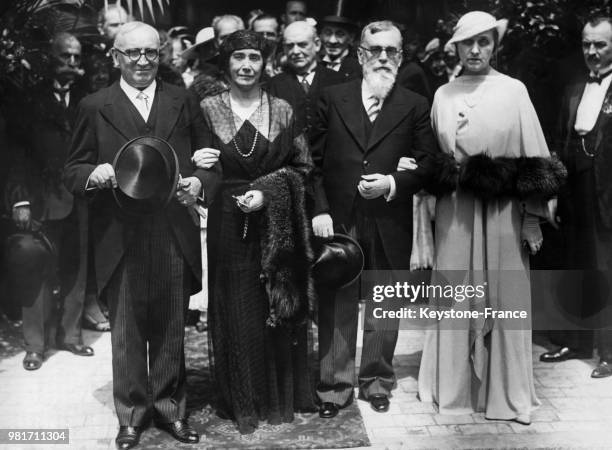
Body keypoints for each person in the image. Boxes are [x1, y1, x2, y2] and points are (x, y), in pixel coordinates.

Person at [64, 22, 221, 449]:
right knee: (128, 331)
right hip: (120, 234)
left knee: (172, 328)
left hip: (172, 231)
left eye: (151, 52)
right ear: (116, 56)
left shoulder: (184, 101)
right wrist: (92, 174)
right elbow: (72, 169)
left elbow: (209, 161)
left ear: (161, 55)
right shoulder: (95, 106)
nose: (142, 61)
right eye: (132, 53)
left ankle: (171, 410)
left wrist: (199, 183)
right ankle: (131, 415)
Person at [417, 11, 565, 424]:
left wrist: (533, 217)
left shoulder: (514, 90)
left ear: (494, 46)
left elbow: (535, 157)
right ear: (457, 48)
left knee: (507, 299)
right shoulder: (443, 94)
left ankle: (507, 396)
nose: (476, 50)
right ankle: (454, 391)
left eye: (484, 42)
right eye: (468, 43)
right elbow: (433, 157)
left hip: (502, 211)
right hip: (456, 213)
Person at [310, 20, 439, 418]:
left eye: (392, 51)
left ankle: (377, 381)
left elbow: (432, 164)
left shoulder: (415, 105)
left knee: (386, 303)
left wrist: (393, 182)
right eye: (375, 50)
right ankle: (334, 386)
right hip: (340, 220)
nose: (383, 58)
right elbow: (310, 162)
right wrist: (320, 209)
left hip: (389, 219)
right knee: (338, 301)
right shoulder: (331, 98)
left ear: (401, 57)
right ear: (360, 54)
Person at [192, 30, 316, 434]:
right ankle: (243, 399)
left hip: (275, 226)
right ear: (226, 63)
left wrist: (268, 192)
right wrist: (199, 164)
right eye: (239, 58)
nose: (247, 66)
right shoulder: (207, 109)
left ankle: (277, 398)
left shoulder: (282, 109)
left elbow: (303, 168)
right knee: (238, 309)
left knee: (273, 309)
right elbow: (201, 169)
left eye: (255, 59)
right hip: (229, 224)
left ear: (266, 64)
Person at [5, 32, 90, 371]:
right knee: (36, 268)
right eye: (64, 56)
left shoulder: (89, 98)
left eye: (76, 58)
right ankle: (35, 345)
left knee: (77, 267)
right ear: (49, 58)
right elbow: (13, 155)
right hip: (40, 199)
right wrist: (19, 199)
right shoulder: (26, 100)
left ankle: (70, 336)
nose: (71, 63)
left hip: (81, 198)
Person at [539, 14, 612, 378]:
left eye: (600, 44)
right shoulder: (573, 86)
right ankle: (576, 341)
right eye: (587, 44)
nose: (592, 51)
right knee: (574, 265)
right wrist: (552, 192)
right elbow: (559, 142)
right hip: (573, 190)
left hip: (608, 194)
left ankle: (610, 354)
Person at [268, 21, 345, 137]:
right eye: (289, 46)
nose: (295, 52)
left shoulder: (338, 81)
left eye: (302, 45)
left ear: (317, 44)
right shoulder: (274, 85)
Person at [319, 15, 361, 80]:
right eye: (327, 33)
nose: (332, 41)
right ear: (321, 36)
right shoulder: (315, 63)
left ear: (351, 38)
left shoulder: (358, 68)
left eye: (340, 34)